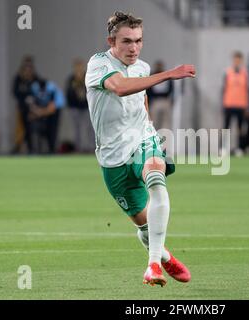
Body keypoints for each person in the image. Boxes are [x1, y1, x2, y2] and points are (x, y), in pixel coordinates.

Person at [85, 11, 195, 287]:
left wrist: (148, 126)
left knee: (156, 177)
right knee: (145, 226)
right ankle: (165, 255)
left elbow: (140, 97)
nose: (133, 47)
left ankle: (153, 265)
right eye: (126, 41)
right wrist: (169, 74)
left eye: (138, 40)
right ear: (111, 41)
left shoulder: (142, 67)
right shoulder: (98, 64)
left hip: (142, 141)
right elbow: (121, 88)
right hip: (112, 157)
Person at [222, 51, 249, 156]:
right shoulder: (228, 72)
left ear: (241, 61)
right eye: (235, 60)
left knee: (240, 129)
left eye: (239, 60)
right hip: (229, 103)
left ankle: (239, 148)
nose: (237, 62)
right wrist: (223, 104)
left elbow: (248, 90)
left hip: (241, 104)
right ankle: (224, 148)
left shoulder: (245, 73)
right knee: (226, 128)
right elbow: (223, 89)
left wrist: (247, 105)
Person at [29, 78, 66, 154]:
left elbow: (51, 108)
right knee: (37, 129)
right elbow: (32, 104)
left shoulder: (52, 88)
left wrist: (40, 113)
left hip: (55, 110)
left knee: (52, 130)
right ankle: (36, 150)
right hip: (43, 109)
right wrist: (36, 112)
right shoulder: (34, 87)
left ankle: (52, 150)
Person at [66, 58, 93, 152]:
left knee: (90, 129)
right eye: (76, 67)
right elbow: (68, 94)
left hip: (86, 107)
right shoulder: (71, 79)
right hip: (75, 108)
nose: (78, 69)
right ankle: (78, 148)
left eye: (80, 66)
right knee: (77, 129)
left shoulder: (88, 77)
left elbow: (92, 91)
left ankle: (91, 148)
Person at [13, 56, 38, 154]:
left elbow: (38, 92)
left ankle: (31, 148)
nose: (28, 69)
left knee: (30, 129)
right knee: (20, 129)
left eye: (30, 66)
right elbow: (15, 92)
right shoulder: (18, 79)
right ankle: (19, 147)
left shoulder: (35, 78)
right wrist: (23, 99)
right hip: (21, 108)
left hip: (32, 109)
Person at [147, 60, 174, 131]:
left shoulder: (166, 76)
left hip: (165, 101)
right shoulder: (152, 77)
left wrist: (171, 101)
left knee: (166, 121)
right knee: (154, 120)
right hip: (155, 101)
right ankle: (153, 135)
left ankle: (166, 136)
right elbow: (148, 91)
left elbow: (171, 89)